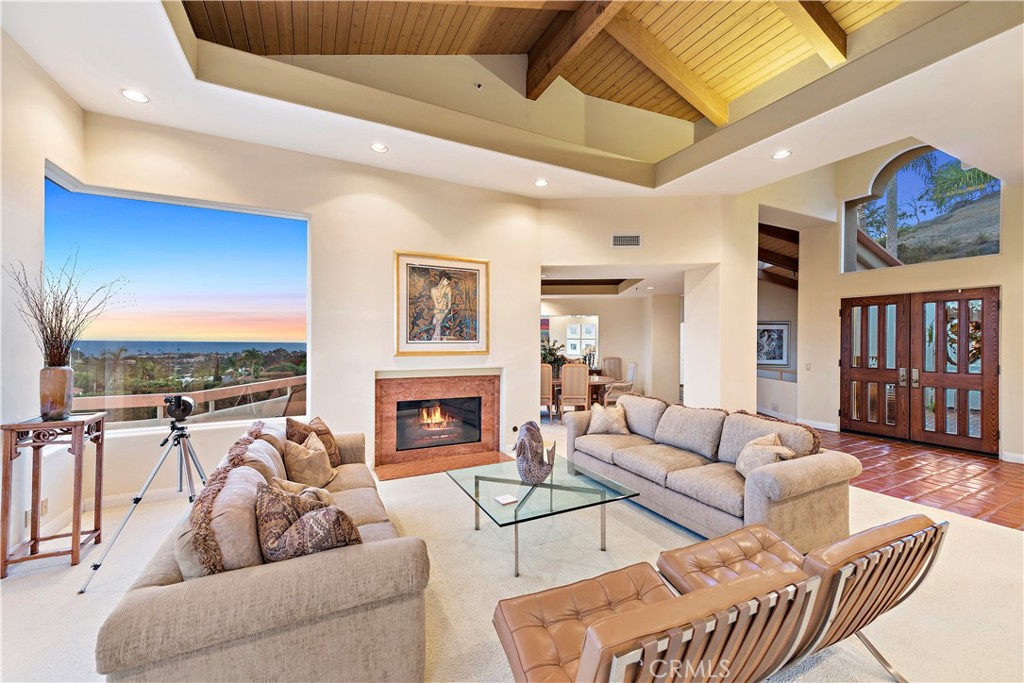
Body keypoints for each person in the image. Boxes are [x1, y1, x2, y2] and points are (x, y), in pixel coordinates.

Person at [430, 273, 453, 341]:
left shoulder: (448, 289)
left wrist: (444, 311)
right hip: (438, 312)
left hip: (444, 312)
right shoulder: (433, 290)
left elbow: (449, 305)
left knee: (439, 318)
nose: (447, 283)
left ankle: (437, 337)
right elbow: (436, 305)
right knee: (438, 317)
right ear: (442, 279)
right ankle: (436, 338)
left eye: (448, 282)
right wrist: (442, 300)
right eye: (446, 281)